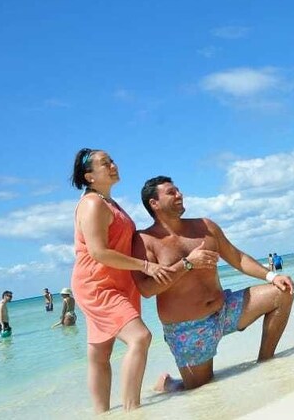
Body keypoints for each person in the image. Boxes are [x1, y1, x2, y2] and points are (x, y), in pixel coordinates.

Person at [132, 176, 294, 392]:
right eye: (171, 192)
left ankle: (265, 363)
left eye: (178, 190)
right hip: (188, 328)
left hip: (224, 308)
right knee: (199, 390)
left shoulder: (205, 226)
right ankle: (168, 384)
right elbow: (146, 289)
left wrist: (271, 277)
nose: (179, 195)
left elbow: (236, 257)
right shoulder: (144, 240)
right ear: (154, 203)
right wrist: (188, 264)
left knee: (282, 293)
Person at [70, 148, 174, 413]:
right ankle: (132, 411)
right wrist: (146, 266)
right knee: (140, 337)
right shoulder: (92, 204)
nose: (114, 165)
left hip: (118, 282)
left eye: (112, 161)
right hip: (97, 285)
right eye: (106, 163)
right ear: (89, 176)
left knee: (99, 355)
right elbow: (98, 251)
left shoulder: (109, 203)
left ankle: (101, 414)